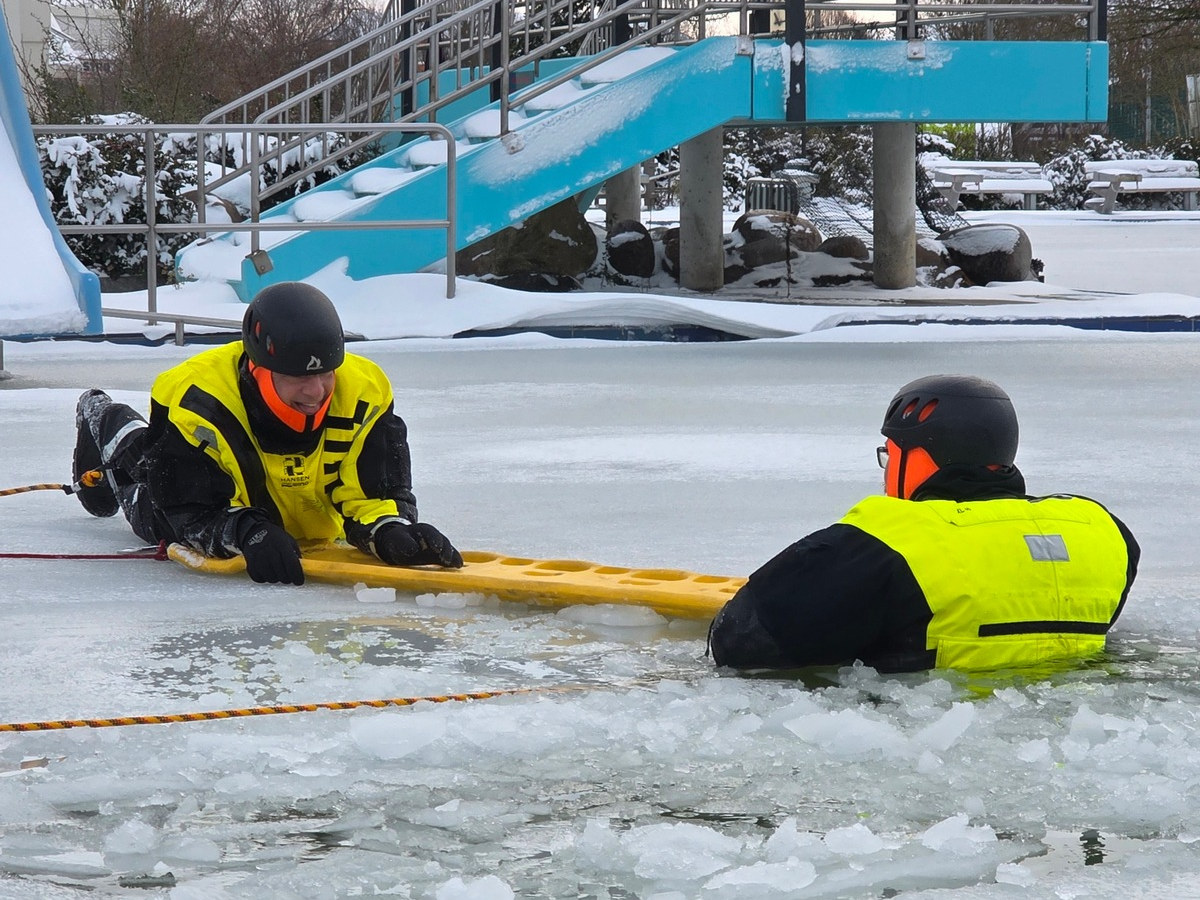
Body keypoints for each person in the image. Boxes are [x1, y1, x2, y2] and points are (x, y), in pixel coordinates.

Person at [708, 374, 1139, 673]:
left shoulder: (890, 539)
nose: (885, 471)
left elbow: (739, 644)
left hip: (926, 736)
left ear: (921, 455)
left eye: (891, 455)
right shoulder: (1101, 529)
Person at [71, 281, 462, 585]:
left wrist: (388, 529)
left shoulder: (365, 394)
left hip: (304, 516)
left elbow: (373, 490)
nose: (315, 392)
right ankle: (102, 413)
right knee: (139, 469)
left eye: (325, 373)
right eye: (296, 377)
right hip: (183, 505)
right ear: (258, 368)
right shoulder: (196, 401)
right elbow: (186, 512)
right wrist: (245, 532)